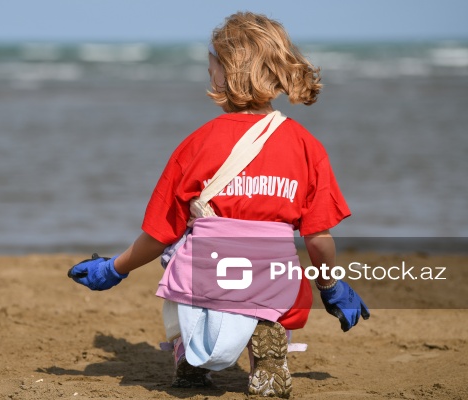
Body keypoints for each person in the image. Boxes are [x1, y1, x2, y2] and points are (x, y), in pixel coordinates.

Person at [69, 11, 369, 398]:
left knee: (176, 261)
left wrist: (114, 268)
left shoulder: (199, 142)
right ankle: (268, 340)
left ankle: (189, 356)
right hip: (275, 288)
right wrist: (330, 286)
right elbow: (318, 238)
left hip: (207, 282)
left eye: (210, 65)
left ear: (223, 73)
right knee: (279, 276)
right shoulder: (305, 145)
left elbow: (159, 235)